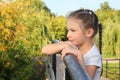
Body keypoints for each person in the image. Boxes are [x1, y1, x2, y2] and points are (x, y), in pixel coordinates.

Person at [42, 9, 102, 80]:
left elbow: (84, 78)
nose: (68, 35)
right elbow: (44, 49)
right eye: (68, 30)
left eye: (73, 30)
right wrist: (64, 45)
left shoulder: (93, 56)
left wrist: (79, 55)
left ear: (89, 32)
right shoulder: (74, 45)